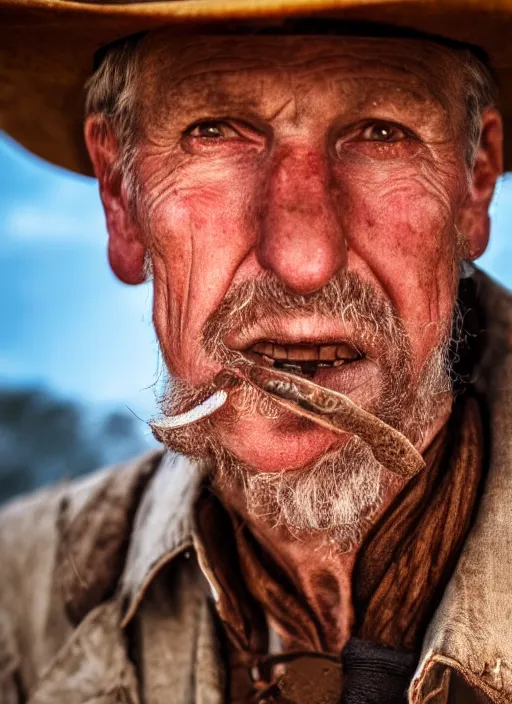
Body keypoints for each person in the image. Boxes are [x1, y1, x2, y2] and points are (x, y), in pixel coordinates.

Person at [0, 1, 511, 702]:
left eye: (381, 133)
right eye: (214, 132)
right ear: (121, 194)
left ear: (474, 183)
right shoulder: (18, 608)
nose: (303, 258)